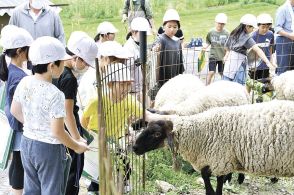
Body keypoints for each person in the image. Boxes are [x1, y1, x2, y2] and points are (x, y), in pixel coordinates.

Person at [10, 36, 88, 195]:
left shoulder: (25, 82)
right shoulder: (55, 94)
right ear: (52, 66)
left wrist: (34, 124)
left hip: (27, 142)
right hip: (48, 149)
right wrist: (77, 146)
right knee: (52, 190)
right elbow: (57, 132)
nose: (64, 66)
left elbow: (14, 110)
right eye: (62, 62)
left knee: (32, 190)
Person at [81, 63, 142, 194]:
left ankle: (123, 186)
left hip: (116, 137)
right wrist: (89, 137)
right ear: (110, 84)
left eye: (128, 84)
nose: (126, 88)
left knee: (123, 161)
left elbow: (143, 113)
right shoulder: (97, 100)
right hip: (97, 137)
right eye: (122, 84)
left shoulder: (128, 100)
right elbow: (84, 120)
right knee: (98, 169)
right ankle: (94, 190)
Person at [53, 31, 98, 195]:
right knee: (72, 175)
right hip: (68, 131)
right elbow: (68, 113)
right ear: (76, 58)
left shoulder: (53, 68)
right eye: (85, 62)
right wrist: (77, 139)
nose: (86, 67)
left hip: (54, 130)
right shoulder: (69, 79)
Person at [0, 25, 33, 195]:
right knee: (19, 164)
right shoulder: (18, 76)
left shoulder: (14, 70)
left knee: (17, 163)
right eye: (29, 50)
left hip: (17, 125)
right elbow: (18, 107)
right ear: (20, 51)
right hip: (21, 125)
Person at [223, 14, 276, 85]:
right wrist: (268, 62)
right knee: (238, 85)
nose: (253, 30)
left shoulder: (233, 33)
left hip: (229, 62)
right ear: (247, 26)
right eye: (252, 28)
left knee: (226, 83)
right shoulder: (246, 38)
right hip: (239, 63)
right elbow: (258, 50)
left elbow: (227, 46)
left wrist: (226, 56)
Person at [152, 9, 185, 89]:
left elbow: (180, 60)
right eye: (169, 26)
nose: (172, 29)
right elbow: (155, 46)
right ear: (163, 27)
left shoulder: (177, 41)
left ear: (178, 28)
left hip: (175, 75)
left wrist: (181, 73)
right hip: (163, 75)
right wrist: (155, 48)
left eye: (175, 27)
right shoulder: (161, 39)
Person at [124, 17, 151, 101]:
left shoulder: (140, 44)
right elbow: (127, 66)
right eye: (143, 34)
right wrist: (140, 60)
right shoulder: (128, 47)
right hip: (132, 90)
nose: (145, 36)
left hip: (140, 86)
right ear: (133, 32)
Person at [203, 13, 229, 85]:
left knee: (222, 73)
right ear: (215, 22)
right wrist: (205, 47)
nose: (220, 25)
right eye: (219, 23)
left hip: (222, 57)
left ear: (224, 24)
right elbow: (208, 41)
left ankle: (225, 85)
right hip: (213, 55)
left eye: (222, 24)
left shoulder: (227, 33)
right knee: (211, 72)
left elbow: (228, 47)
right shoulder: (211, 32)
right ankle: (206, 86)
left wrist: (226, 56)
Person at [248, 13, 274, 80]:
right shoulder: (253, 36)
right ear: (258, 25)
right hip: (255, 65)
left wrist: (271, 59)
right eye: (263, 27)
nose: (265, 29)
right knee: (252, 82)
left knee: (263, 82)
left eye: (267, 27)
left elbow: (270, 47)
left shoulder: (270, 34)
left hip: (266, 64)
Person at [275, 0, 294, 75]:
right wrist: (290, 36)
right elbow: (277, 28)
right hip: (284, 41)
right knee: (284, 69)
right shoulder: (283, 9)